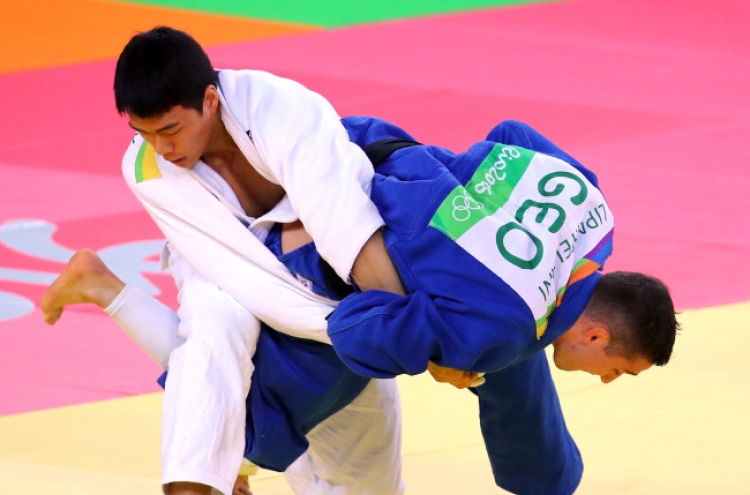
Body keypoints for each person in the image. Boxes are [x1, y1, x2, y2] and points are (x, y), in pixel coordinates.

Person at [41, 25, 678, 495]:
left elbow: (508, 142)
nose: (159, 147)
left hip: (363, 211)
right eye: (144, 132)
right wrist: (428, 350)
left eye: (170, 131)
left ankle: (112, 297)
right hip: (246, 254)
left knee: (374, 450)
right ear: (598, 329)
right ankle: (204, 471)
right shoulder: (147, 166)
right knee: (224, 340)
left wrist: (446, 217)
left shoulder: (587, 206)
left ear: (209, 100)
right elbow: (277, 285)